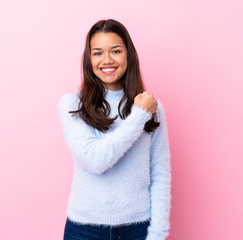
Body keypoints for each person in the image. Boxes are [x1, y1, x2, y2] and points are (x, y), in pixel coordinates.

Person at [58, 19, 171, 240]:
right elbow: (95, 161)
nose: (107, 60)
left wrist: (158, 233)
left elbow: (160, 173)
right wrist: (139, 116)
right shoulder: (72, 105)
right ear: (88, 59)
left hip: (138, 230)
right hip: (84, 230)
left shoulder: (153, 107)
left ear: (128, 55)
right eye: (97, 53)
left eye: (116, 51)